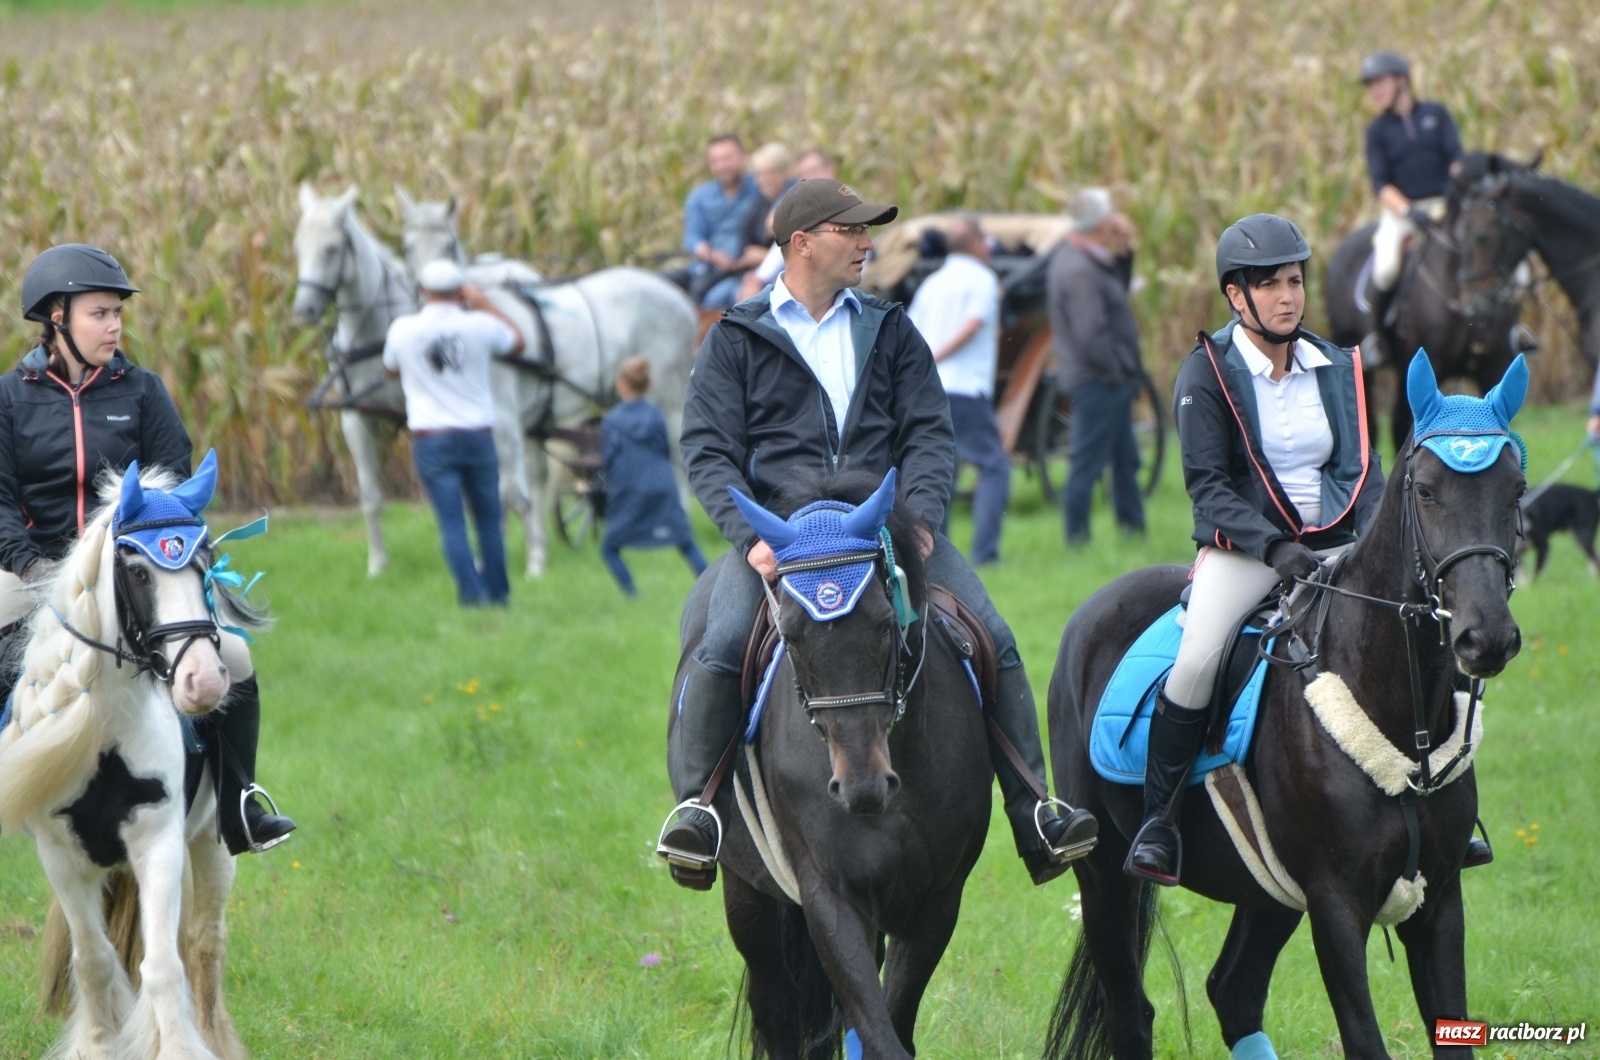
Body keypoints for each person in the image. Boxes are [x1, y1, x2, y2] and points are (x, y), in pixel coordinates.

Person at [658, 179, 1097, 888]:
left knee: (994, 637)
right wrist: (750, 538)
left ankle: (1033, 812)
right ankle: (698, 813)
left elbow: (929, 430)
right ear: (802, 244)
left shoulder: (891, 328)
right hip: (780, 538)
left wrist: (920, 519)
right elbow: (707, 451)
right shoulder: (735, 337)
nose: (868, 244)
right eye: (850, 231)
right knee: (722, 644)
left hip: (888, 532)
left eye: (868, 232)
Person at [1130, 214, 1491, 885]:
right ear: (1237, 297)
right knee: (1198, 660)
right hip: (1245, 555)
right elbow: (1208, 491)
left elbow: (1366, 466)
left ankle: (1453, 809)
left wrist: (1379, 537)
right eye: (1268, 285)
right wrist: (1275, 549)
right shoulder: (1205, 374)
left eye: (1294, 280)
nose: (1287, 295)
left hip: (1339, 550)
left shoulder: (1337, 366)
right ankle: (1160, 822)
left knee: (1441, 634)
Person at [0, 243, 295, 855]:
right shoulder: (9, 400)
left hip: (132, 570)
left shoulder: (142, 391)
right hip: (33, 568)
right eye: (100, 313)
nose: (115, 326)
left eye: (117, 314)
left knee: (234, 657)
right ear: (58, 318)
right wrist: (34, 566)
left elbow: (174, 492)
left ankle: (240, 803)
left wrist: (142, 558)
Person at [383, 260, 522, 607]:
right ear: (462, 290)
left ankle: (472, 596)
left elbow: (389, 368)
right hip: (478, 435)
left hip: (433, 439)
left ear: (423, 291)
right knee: (489, 519)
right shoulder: (481, 325)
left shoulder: (403, 329)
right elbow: (518, 342)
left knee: (452, 523)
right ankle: (499, 593)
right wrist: (485, 304)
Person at [1046, 188, 1146, 547]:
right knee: (1087, 463)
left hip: (1106, 378)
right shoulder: (1077, 268)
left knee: (1126, 460)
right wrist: (1119, 373)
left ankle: (1133, 531)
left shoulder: (1087, 257)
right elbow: (1092, 334)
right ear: (1100, 220)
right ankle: (1077, 539)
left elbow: (1115, 292)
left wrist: (1123, 251)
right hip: (1097, 381)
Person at [907, 217, 1009, 565]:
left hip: (929, 389)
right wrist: (939, 354)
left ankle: (939, 552)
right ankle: (986, 553)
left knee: (942, 472)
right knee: (993, 466)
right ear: (978, 244)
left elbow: (912, 331)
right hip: (965, 386)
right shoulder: (982, 279)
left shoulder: (931, 284)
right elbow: (973, 323)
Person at [1360, 50, 1464, 359]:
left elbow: (1456, 160)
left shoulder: (1437, 114)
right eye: (1371, 85)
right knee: (1387, 268)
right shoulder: (1377, 131)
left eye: (1380, 82)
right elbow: (1381, 184)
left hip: (1445, 204)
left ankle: (1511, 333)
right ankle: (1376, 338)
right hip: (1402, 210)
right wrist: (1409, 211)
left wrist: (1455, 194)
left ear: (1402, 80)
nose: (1375, 91)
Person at [599, 356, 708, 596]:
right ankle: (711, 585)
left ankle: (632, 595)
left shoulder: (611, 420)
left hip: (630, 490)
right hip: (662, 484)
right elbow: (664, 448)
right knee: (685, 542)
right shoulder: (657, 414)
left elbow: (609, 460)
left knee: (609, 549)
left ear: (623, 385)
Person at [737, 147, 840, 302]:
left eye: (813, 171)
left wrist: (759, 276)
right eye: (803, 174)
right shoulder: (759, 203)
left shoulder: (842, 199)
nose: (809, 178)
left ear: (831, 170)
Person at [675, 134, 764, 309]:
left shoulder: (761, 187)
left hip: (748, 269)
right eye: (715, 161)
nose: (722, 166)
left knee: (714, 299)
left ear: (744, 157)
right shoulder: (700, 196)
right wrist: (710, 253)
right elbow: (692, 237)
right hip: (709, 267)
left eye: (727, 158)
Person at [704, 142, 794, 309]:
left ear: (785, 173)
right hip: (750, 272)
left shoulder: (794, 201)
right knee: (711, 297)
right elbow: (745, 244)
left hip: (781, 276)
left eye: (770, 173)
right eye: (760, 174)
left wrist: (763, 257)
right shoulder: (759, 204)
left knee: (725, 299)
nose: (764, 180)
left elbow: (796, 248)